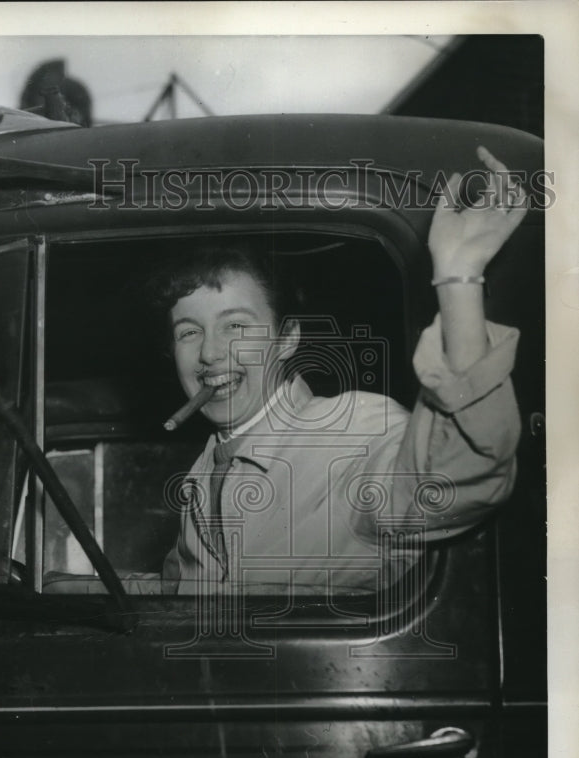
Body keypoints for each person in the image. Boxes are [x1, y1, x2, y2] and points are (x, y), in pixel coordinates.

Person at [154, 147, 527, 596]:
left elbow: (456, 476)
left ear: (287, 339)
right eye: (188, 332)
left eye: (235, 325)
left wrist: (459, 279)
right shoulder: (200, 477)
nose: (210, 353)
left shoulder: (351, 432)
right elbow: (177, 593)